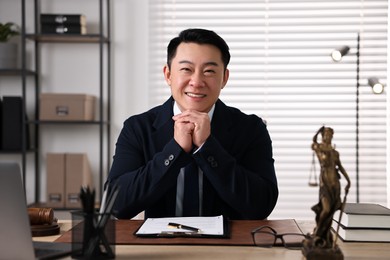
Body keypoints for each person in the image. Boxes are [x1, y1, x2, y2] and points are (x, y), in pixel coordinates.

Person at [107, 28, 278, 220]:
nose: (196, 82)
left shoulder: (251, 129)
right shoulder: (138, 128)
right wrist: (175, 150)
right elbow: (116, 204)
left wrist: (208, 148)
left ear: (224, 78)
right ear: (168, 75)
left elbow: (262, 205)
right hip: (159, 245)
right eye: (186, 69)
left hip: (229, 247)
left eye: (209, 71)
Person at [310, 126, 351, 248]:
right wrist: (318, 131)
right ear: (323, 136)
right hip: (325, 185)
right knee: (326, 209)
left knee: (332, 212)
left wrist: (348, 181)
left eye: (330, 135)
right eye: (326, 135)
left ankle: (325, 236)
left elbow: (341, 168)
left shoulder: (335, 153)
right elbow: (314, 142)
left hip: (335, 186)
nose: (328, 137)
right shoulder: (319, 149)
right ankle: (318, 231)